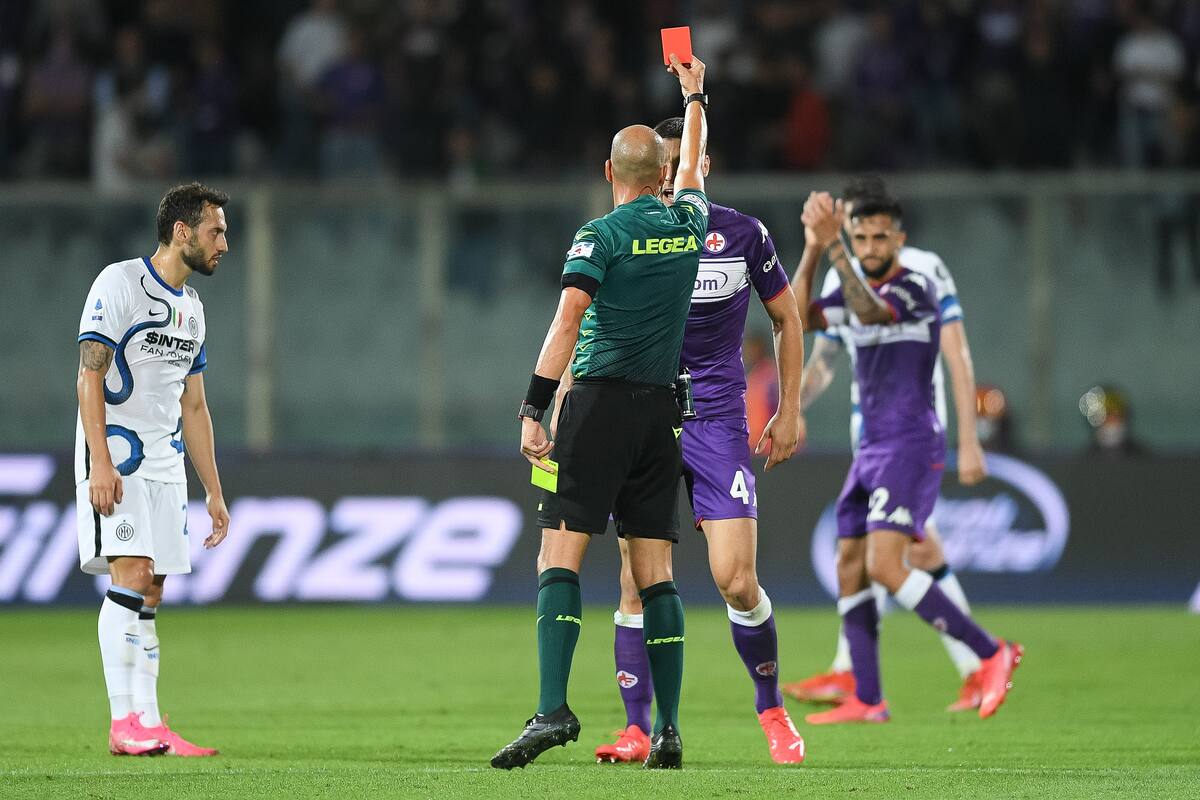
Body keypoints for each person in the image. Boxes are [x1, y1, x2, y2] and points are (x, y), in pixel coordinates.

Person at [490, 54, 709, 771]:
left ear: (608, 171)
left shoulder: (601, 235)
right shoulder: (690, 223)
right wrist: (695, 96)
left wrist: (533, 406)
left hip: (595, 409)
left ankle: (552, 709)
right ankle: (667, 730)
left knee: (559, 554)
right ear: (663, 175)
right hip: (660, 416)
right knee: (655, 572)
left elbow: (567, 320)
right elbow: (695, 172)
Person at [592, 117, 806, 766]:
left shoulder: (743, 235)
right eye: (662, 163)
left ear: (702, 165)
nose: (671, 174)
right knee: (636, 581)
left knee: (736, 579)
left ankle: (771, 706)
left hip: (716, 422)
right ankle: (638, 729)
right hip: (644, 420)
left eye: (684, 160)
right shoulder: (626, 236)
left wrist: (788, 409)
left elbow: (786, 318)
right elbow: (587, 323)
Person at [788, 187, 1022, 724]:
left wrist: (836, 248)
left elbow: (870, 314)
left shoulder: (916, 285)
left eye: (879, 237)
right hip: (870, 446)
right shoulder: (847, 277)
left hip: (910, 443)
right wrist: (812, 248)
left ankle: (990, 652)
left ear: (900, 239)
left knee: (887, 565)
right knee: (850, 563)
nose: (870, 246)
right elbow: (798, 319)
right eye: (860, 236)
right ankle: (868, 697)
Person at [76, 182, 231, 756]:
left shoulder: (193, 310)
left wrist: (214, 491)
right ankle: (123, 723)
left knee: (154, 587)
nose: (224, 244)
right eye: (216, 231)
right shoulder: (119, 284)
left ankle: (147, 721)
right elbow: (89, 375)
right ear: (182, 231)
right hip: (118, 454)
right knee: (132, 573)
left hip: (166, 461)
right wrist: (99, 460)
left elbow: (195, 407)